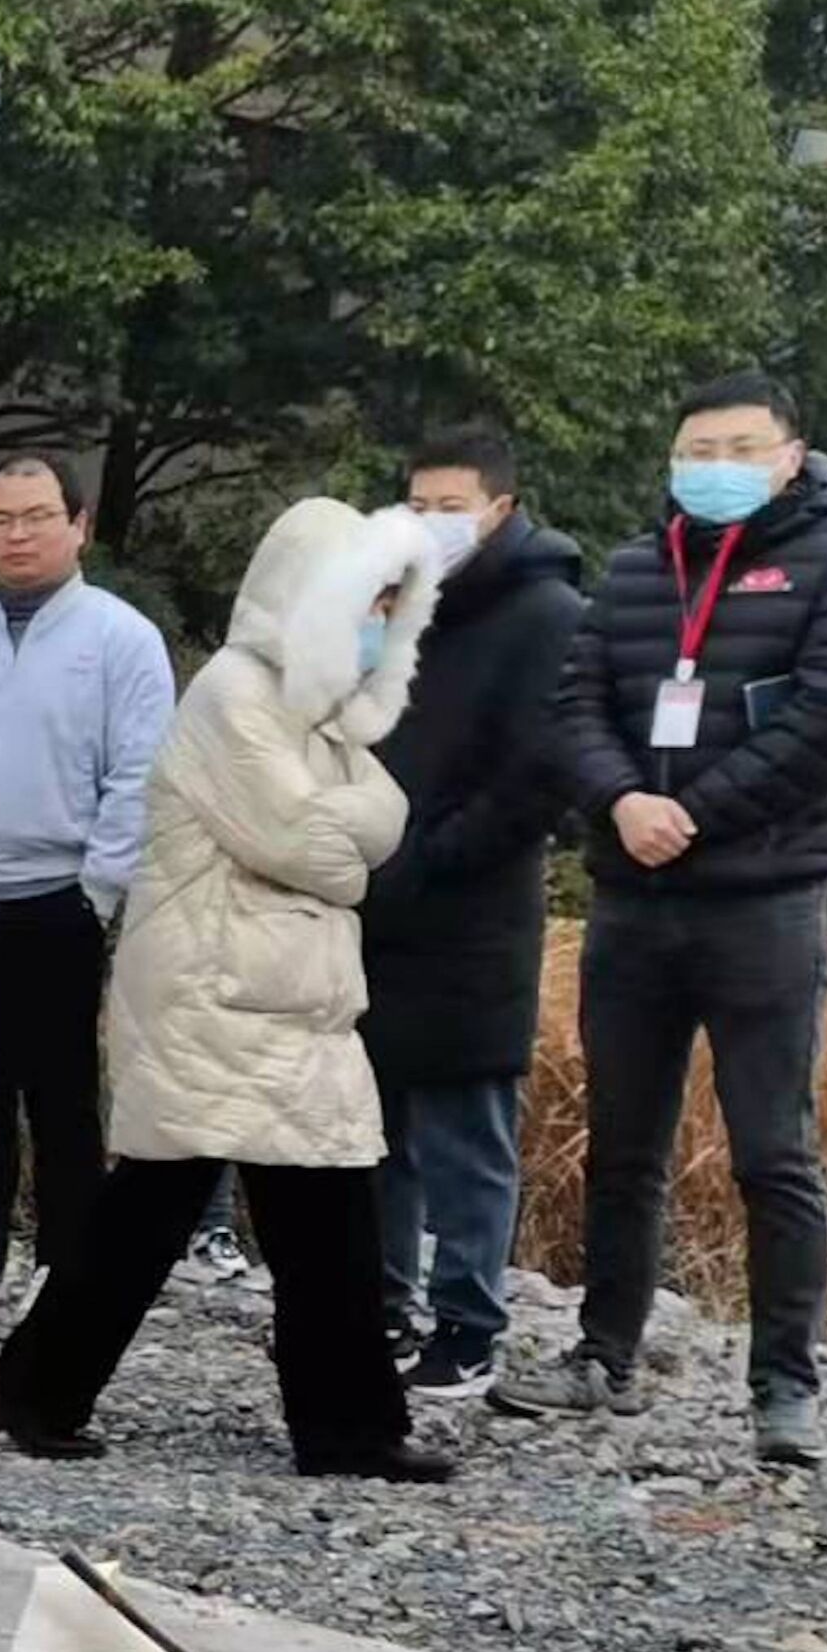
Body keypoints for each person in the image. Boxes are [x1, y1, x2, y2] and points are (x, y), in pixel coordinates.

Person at [0, 501, 455, 1483]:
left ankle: (40, 1389)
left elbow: (383, 815)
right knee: (194, 1209)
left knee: (285, 1214)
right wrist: (356, 835)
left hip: (281, 998)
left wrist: (353, 829)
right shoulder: (234, 695)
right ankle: (336, 1426)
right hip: (213, 990)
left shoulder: (321, 712)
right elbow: (311, 846)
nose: (373, 619)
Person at [494, 373, 827, 1466]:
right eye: (694, 445)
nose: (712, 463)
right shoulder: (631, 566)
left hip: (761, 897)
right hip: (632, 897)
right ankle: (601, 1353)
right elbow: (574, 704)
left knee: (770, 1151)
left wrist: (690, 815)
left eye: (737, 444)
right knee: (622, 1142)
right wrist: (619, 801)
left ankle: (782, 1387)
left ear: (788, 456)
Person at [0, 455, 175, 1316]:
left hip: (61, 898)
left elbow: (139, 777)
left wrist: (97, 894)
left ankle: (67, 1272)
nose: (16, 535)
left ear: (79, 525)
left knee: (61, 1099)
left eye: (35, 517)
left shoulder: (121, 640)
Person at [363, 430, 584, 1398]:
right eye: (414, 505)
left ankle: (466, 1323)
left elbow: (535, 774)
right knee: (371, 1127)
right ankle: (376, 1302)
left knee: (463, 1129)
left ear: (498, 507)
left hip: (471, 911)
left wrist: (431, 853)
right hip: (376, 901)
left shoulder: (547, 614)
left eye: (447, 506)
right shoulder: (400, 607)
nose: (428, 524)